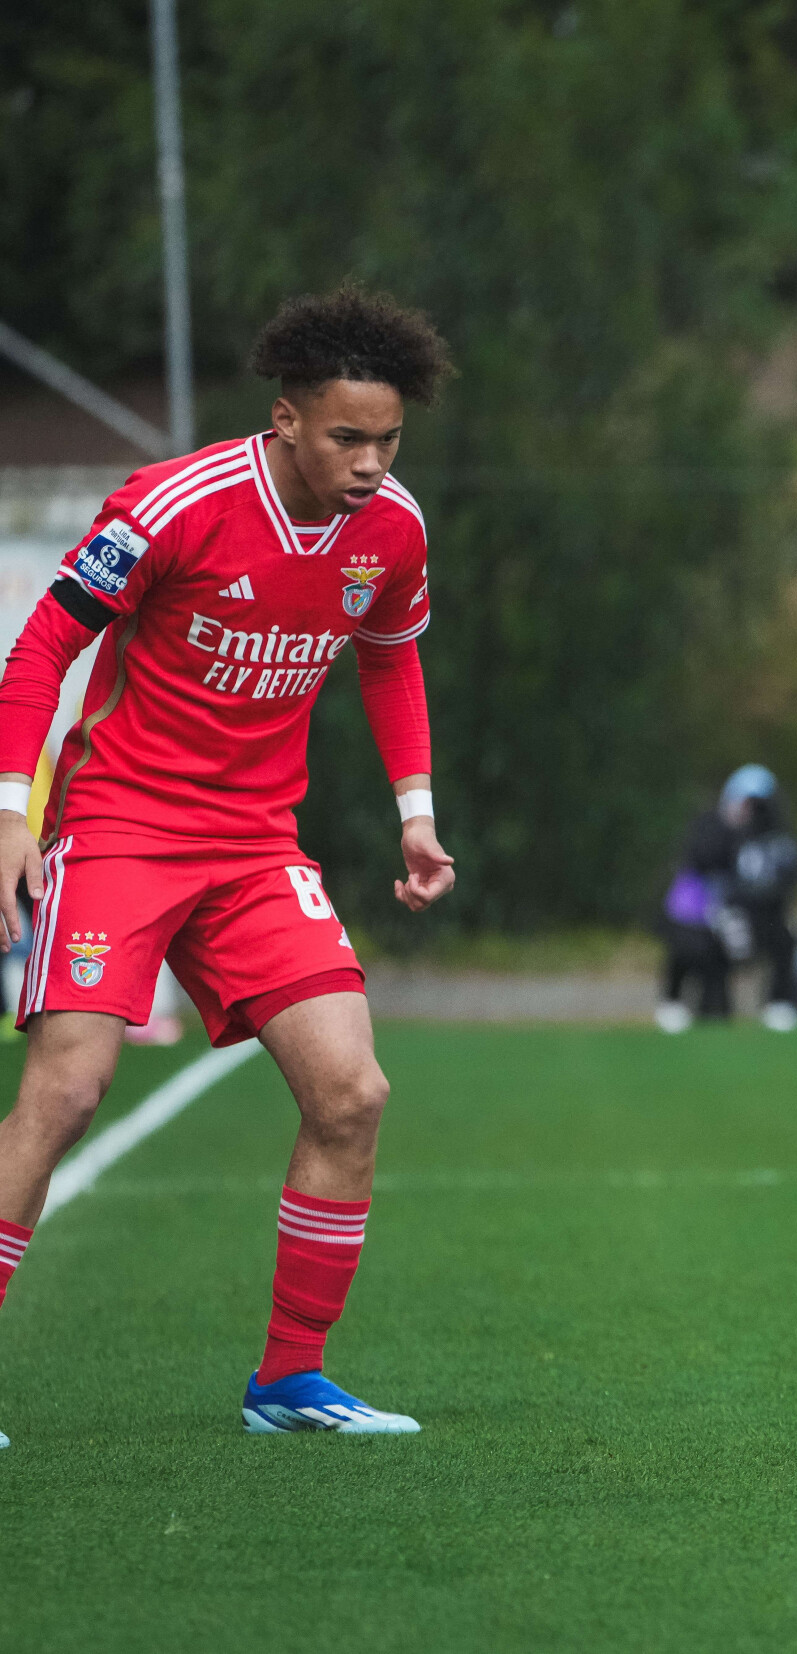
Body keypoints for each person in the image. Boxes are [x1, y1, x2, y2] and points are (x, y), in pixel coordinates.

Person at [0, 286, 457, 1444]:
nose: (368, 462)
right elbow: (45, 641)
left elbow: (390, 660)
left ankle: (290, 1382)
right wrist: (13, 813)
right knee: (64, 1094)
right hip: (119, 828)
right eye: (346, 436)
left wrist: (415, 811)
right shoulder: (174, 505)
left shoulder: (393, 528)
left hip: (257, 845)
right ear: (287, 418)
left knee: (352, 1093)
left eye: (387, 440)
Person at [656, 765, 797, 1032]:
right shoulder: (711, 828)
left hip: (741, 917)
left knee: (782, 937)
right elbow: (702, 862)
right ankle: (673, 1001)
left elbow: (782, 881)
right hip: (697, 918)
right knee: (695, 953)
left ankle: (777, 1004)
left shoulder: (771, 838)